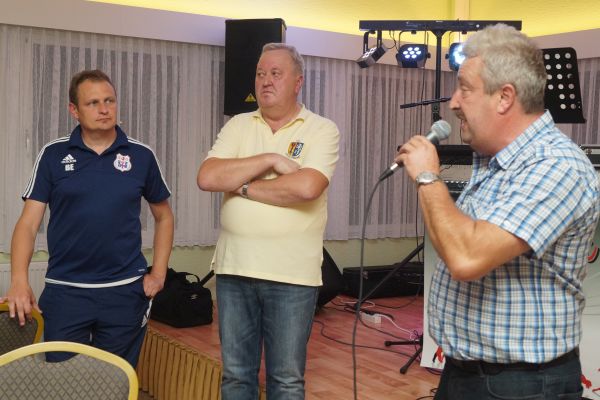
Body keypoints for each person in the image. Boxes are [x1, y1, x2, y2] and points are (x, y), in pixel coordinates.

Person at [395, 24, 600, 399]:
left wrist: (427, 176)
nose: (453, 102)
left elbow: (466, 257)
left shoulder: (556, 165)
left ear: (505, 97)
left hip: (522, 384)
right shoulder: (493, 162)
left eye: (465, 89)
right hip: (467, 372)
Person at [197, 43, 339, 400]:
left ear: (298, 82)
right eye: (261, 74)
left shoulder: (322, 129)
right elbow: (209, 177)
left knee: (286, 380)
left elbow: (306, 187)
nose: (265, 81)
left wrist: (242, 186)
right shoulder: (238, 125)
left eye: (276, 73)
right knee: (236, 377)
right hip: (235, 270)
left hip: (292, 276)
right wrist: (270, 159)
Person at [6, 69, 174, 367]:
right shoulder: (52, 155)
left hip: (124, 292)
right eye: (93, 103)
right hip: (65, 291)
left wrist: (159, 273)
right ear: (74, 110)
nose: (104, 109)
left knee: (117, 381)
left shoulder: (141, 155)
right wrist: (19, 280)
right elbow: (28, 225)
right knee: (63, 381)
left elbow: (164, 217)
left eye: (109, 100)